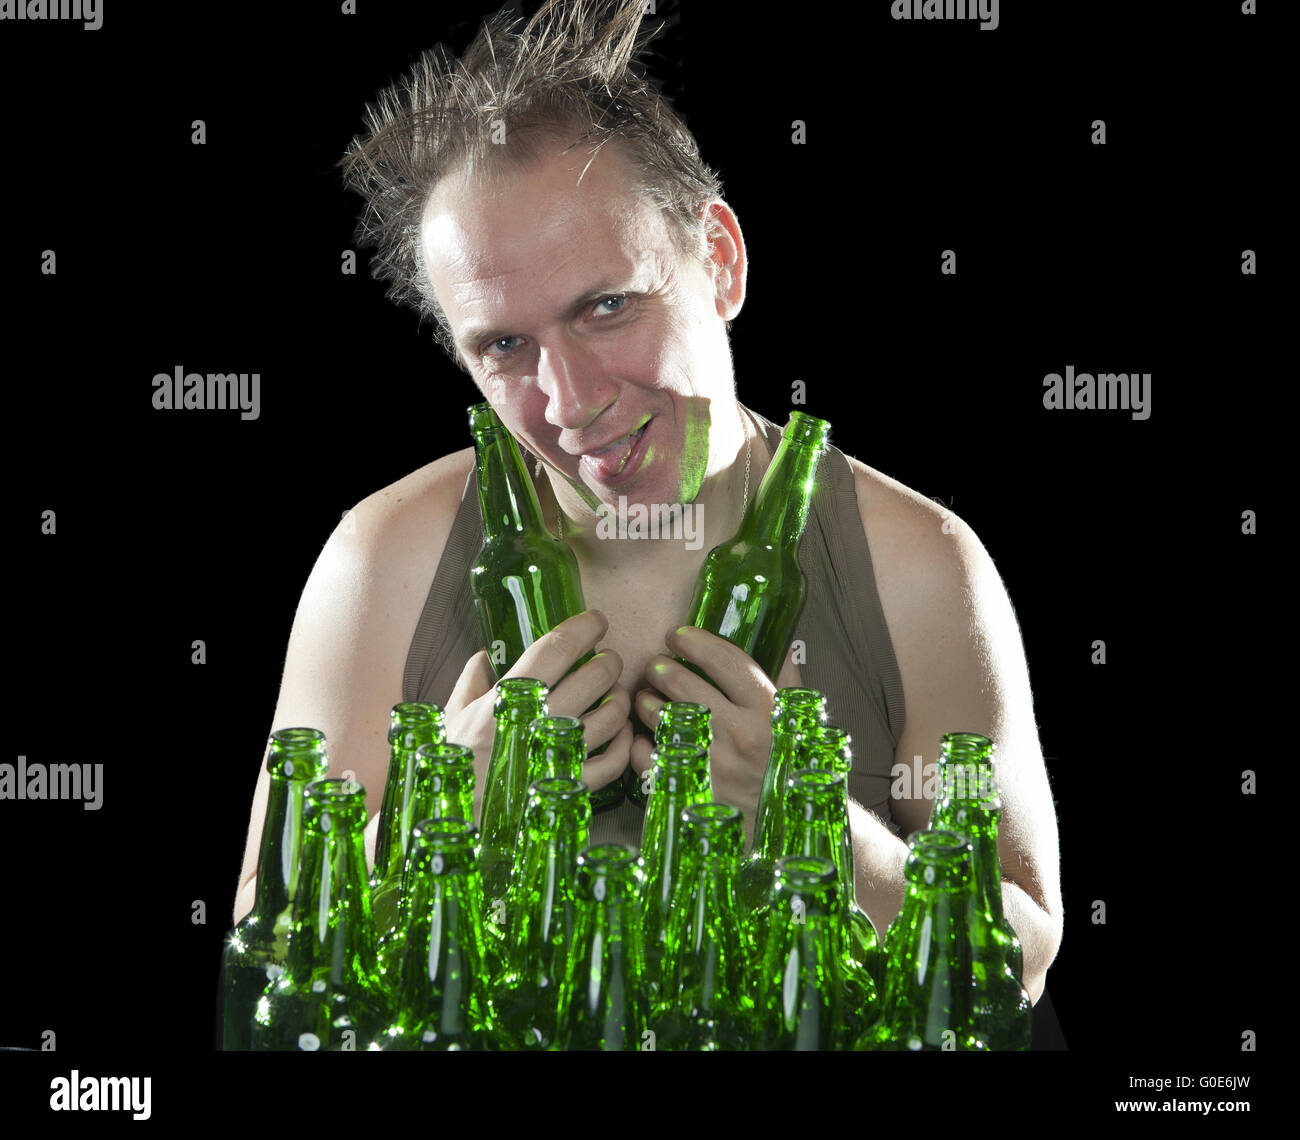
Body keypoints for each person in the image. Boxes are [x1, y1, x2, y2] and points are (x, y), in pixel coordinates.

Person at [231, 0, 1062, 1005]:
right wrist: (429, 816)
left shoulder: (923, 562)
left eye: (606, 307)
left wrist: (814, 826)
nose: (570, 403)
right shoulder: (379, 557)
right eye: (504, 346)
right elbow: (264, 944)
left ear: (718, 260)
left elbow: (1020, 954)